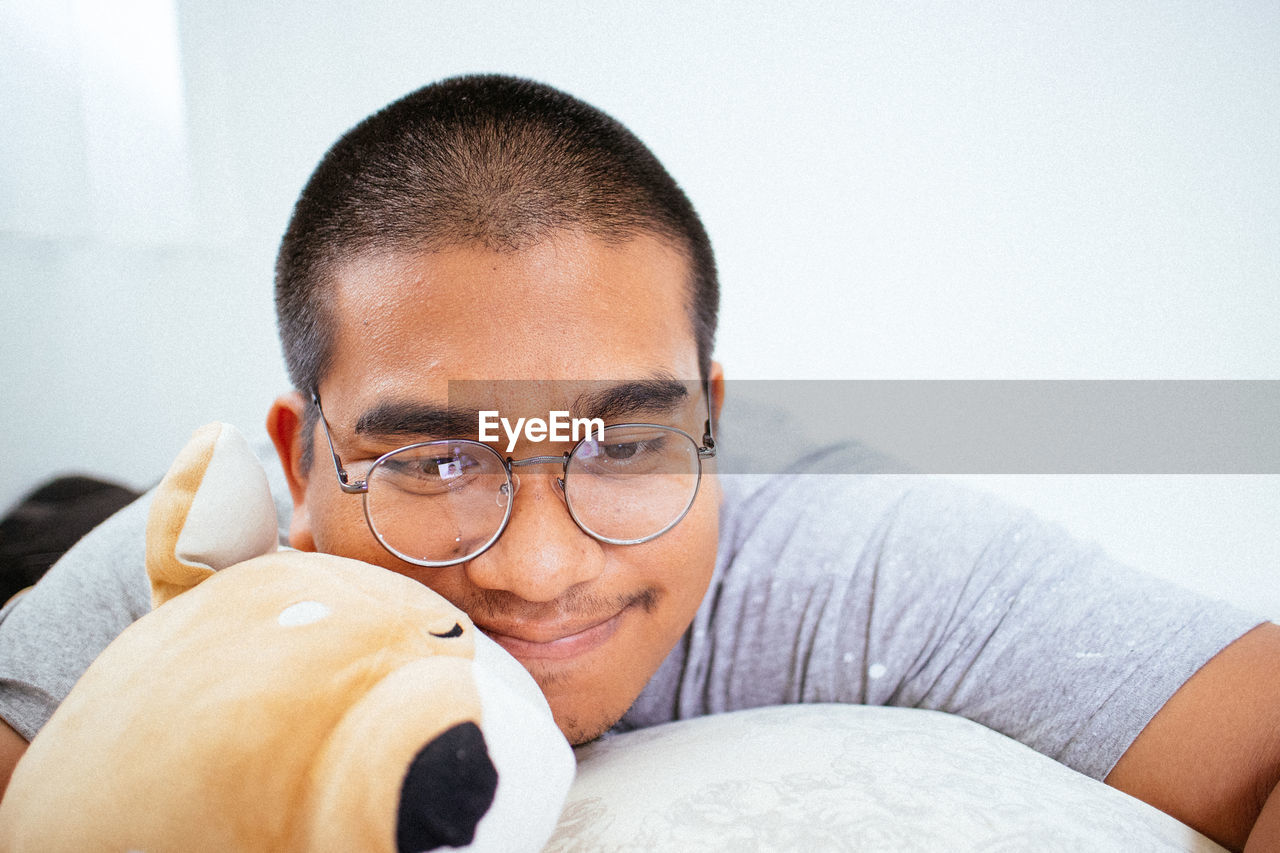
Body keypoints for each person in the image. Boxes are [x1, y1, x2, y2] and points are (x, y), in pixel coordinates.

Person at [1, 74, 1277, 851]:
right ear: (299, 461)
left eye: (621, 444)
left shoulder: (864, 563)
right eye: (435, 460)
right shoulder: (199, 579)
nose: (540, 570)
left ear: (710, 417)